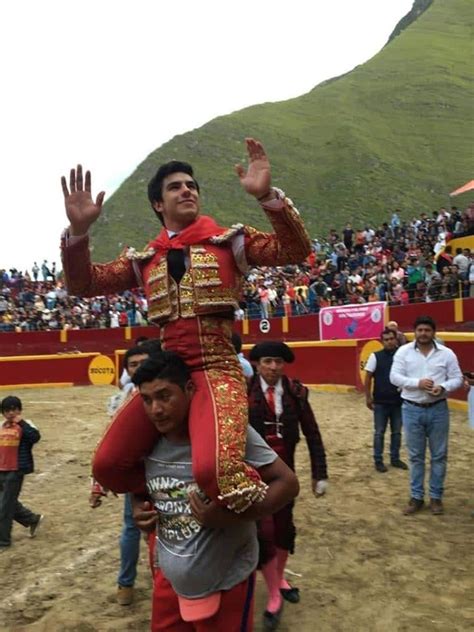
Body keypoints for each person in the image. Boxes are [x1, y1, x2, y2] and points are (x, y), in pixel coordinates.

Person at [61, 138, 311, 512]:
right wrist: (79, 233)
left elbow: (293, 250)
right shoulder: (145, 258)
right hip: (169, 373)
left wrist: (267, 199)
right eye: (176, 187)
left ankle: (247, 522)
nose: (187, 190)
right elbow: (83, 285)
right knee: (108, 465)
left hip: (218, 370)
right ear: (158, 204)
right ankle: (167, 498)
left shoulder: (229, 243)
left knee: (217, 472)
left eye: (191, 185)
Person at [131, 352, 299, 632]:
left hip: (227, 580)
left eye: (164, 396)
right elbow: (138, 484)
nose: (156, 409)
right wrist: (138, 506)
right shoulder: (145, 437)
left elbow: (287, 483)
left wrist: (232, 518)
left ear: (188, 390)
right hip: (169, 578)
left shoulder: (226, 435)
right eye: (147, 400)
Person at [247, 341, 328, 630]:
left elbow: (313, 433)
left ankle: (279, 578)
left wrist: (320, 473)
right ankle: (272, 594)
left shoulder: (295, 393)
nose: (273, 367)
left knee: (284, 527)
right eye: (268, 361)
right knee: (264, 530)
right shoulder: (243, 392)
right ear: (256, 363)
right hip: (253, 475)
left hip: (286, 475)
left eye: (278, 362)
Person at [92, 343, 159, 605]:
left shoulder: (164, 393)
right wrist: (98, 483)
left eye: (144, 362)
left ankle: (161, 583)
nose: (139, 368)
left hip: (165, 469)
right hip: (136, 474)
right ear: (127, 371)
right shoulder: (119, 401)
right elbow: (108, 442)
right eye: (133, 365)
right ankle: (126, 584)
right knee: (132, 527)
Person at [390, 316, 463, 515]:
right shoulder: (403, 352)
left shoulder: (447, 354)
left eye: (427, 330)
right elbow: (394, 377)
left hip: (438, 408)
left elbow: (457, 378)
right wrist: (418, 383)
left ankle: (436, 497)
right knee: (415, 456)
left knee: (439, 455)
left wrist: (443, 387)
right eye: (420, 330)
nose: (423, 333)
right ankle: (416, 497)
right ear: (415, 331)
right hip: (411, 408)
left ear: (434, 332)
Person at [0, 396, 43, 548]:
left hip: (15, 470)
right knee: (6, 502)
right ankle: (32, 519)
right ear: (3, 413)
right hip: (1, 469)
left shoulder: (25, 425)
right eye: (7, 410)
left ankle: (3, 541)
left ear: (20, 410)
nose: (11, 413)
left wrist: (22, 423)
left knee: (5, 507)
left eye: (14, 409)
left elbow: (35, 437)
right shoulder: (2, 426)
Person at [364, 328, 408, 473]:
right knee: (379, 432)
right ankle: (378, 460)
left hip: (398, 401)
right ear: (382, 341)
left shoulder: (402, 356)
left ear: (396, 339)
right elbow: (368, 376)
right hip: (381, 401)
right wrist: (368, 397)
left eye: (391, 338)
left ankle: (395, 459)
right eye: (386, 339)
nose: (389, 341)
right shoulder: (375, 356)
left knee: (396, 432)